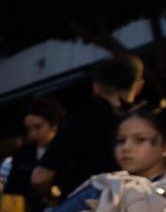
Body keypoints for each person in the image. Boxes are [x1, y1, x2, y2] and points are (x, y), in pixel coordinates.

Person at [31, 54, 145, 198]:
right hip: (137, 209)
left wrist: (56, 200)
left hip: (87, 210)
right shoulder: (150, 126)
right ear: (139, 86)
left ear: (96, 87)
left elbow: (40, 177)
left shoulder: (77, 124)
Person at [0, 97, 65, 212]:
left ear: (53, 124)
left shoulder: (66, 149)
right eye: (29, 129)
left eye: (38, 127)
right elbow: (13, 190)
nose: (33, 134)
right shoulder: (24, 154)